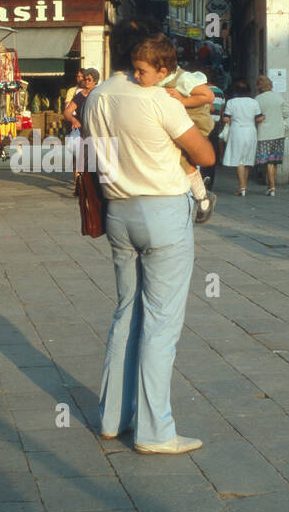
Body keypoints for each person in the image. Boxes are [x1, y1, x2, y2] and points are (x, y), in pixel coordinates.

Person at [86, 27, 215, 454]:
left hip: (117, 211)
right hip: (161, 211)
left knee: (126, 312)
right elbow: (205, 156)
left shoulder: (97, 95)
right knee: (161, 323)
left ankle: (112, 418)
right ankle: (155, 431)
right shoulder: (158, 99)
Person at [156, 51, 217, 223]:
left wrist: (182, 101)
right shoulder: (160, 80)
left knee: (182, 160)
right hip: (182, 122)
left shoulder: (182, 79)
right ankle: (198, 194)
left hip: (196, 123)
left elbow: (208, 96)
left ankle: (202, 197)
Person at [221, 79, 264, 195]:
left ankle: (242, 187)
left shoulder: (231, 102)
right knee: (247, 159)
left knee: (239, 159)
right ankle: (243, 186)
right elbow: (259, 118)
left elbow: (226, 118)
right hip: (250, 130)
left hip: (237, 130)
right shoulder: (254, 102)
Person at [253, 73, 287, 195]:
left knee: (268, 161)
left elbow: (255, 116)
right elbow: (286, 113)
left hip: (264, 134)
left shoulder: (257, 99)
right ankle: (272, 185)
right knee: (274, 160)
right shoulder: (278, 97)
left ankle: (271, 186)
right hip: (278, 132)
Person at [63, 67, 99, 174]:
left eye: (89, 80)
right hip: (82, 132)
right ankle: (78, 185)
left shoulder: (99, 95)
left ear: (95, 82)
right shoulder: (80, 95)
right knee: (79, 161)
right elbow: (67, 112)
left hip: (95, 132)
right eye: (85, 79)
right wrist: (73, 120)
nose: (86, 82)